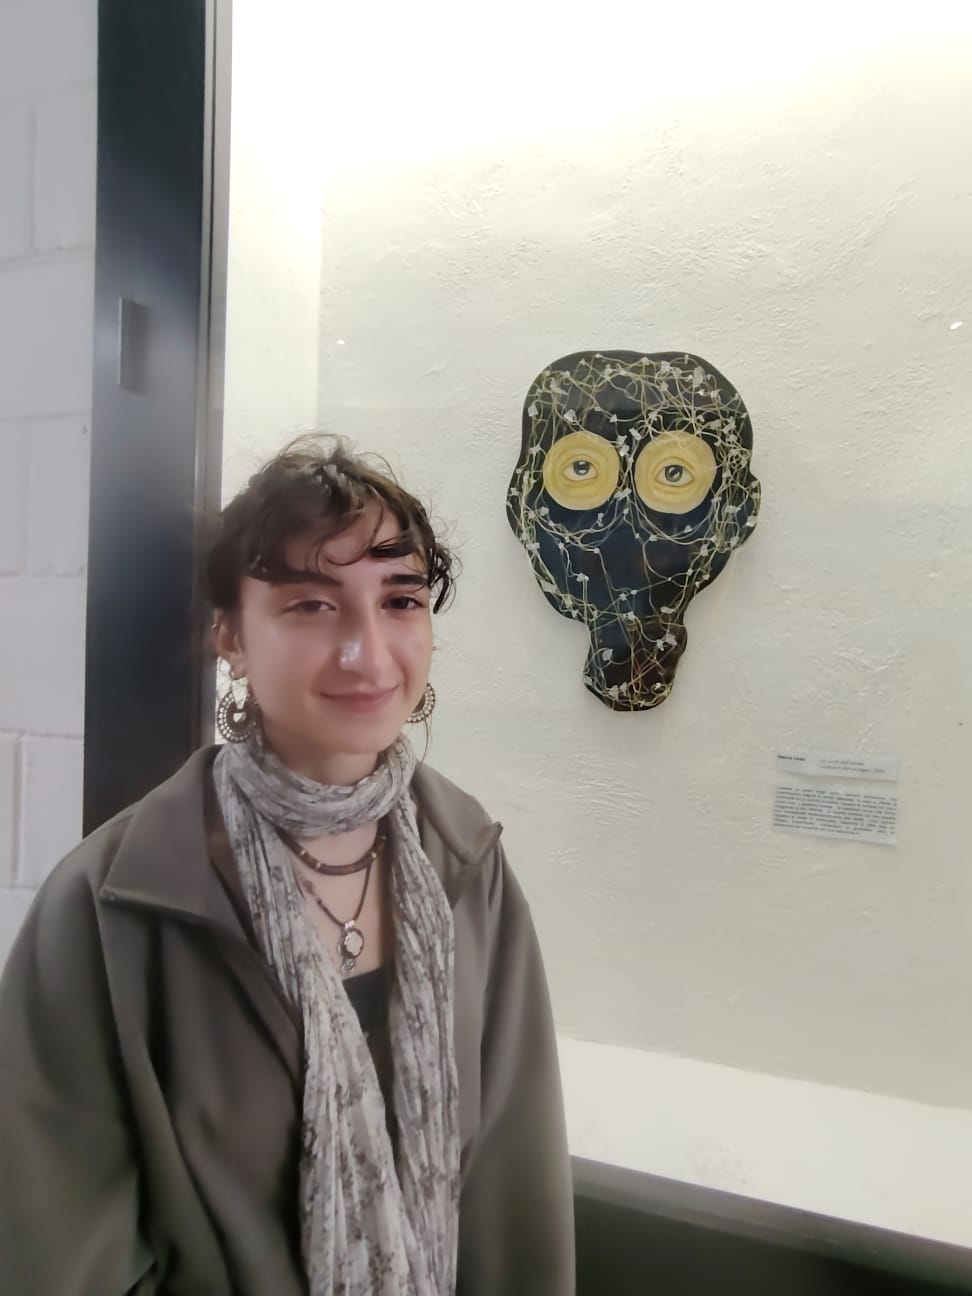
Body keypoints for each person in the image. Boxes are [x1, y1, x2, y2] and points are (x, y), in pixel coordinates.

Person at [0, 438, 575, 1295]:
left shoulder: (466, 863)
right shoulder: (115, 902)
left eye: (401, 600)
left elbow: (512, 1195)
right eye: (312, 605)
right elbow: (60, 1248)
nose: (368, 653)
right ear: (229, 636)